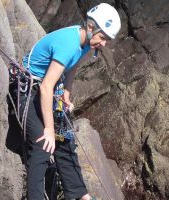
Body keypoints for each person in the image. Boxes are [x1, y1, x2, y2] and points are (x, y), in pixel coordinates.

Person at [21, 3, 121, 200]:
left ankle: (79, 194)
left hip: (45, 88)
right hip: (27, 89)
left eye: (107, 40)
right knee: (44, 143)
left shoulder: (85, 42)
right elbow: (46, 87)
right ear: (91, 28)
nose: (103, 44)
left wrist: (67, 91)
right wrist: (48, 128)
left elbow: (72, 66)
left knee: (64, 138)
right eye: (103, 37)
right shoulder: (69, 43)